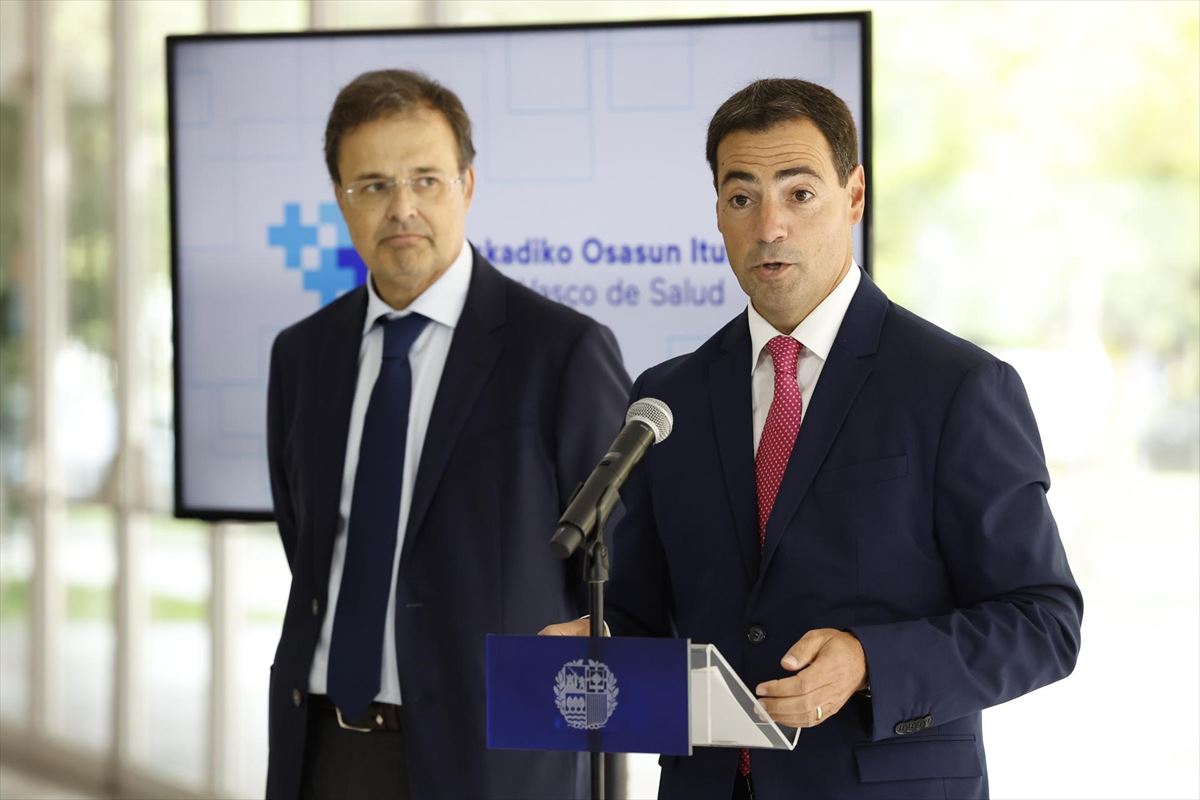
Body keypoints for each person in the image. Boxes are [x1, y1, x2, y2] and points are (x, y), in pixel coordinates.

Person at [542, 78, 1082, 799]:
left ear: (853, 195)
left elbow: (1044, 621)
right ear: (719, 212)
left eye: (799, 194)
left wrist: (870, 661)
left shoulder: (955, 385)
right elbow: (648, 606)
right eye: (742, 198)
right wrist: (603, 641)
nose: (769, 227)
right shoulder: (667, 396)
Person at [266, 69, 631, 800]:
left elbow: (622, 564)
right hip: (325, 752)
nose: (401, 207)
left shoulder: (559, 352)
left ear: (466, 185)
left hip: (498, 761)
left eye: (426, 179)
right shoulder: (302, 354)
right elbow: (306, 535)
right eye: (371, 185)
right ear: (342, 202)